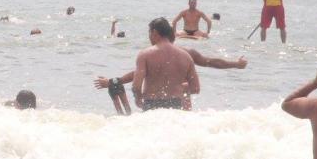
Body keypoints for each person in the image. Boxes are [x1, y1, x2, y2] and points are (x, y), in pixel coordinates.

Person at [95, 49, 246, 111]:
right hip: (160, 103)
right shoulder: (155, 55)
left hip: (177, 102)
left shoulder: (185, 53)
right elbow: (138, 73)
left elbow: (211, 62)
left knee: (185, 88)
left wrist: (236, 64)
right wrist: (114, 81)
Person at [131, 18, 199, 110]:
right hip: (176, 105)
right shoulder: (186, 56)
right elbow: (195, 88)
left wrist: (138, 98)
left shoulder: (145, 55)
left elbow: (136, 86)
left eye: (149, 33)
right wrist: (177, 87)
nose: (149, 37)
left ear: (154, 32)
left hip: (152, 104)